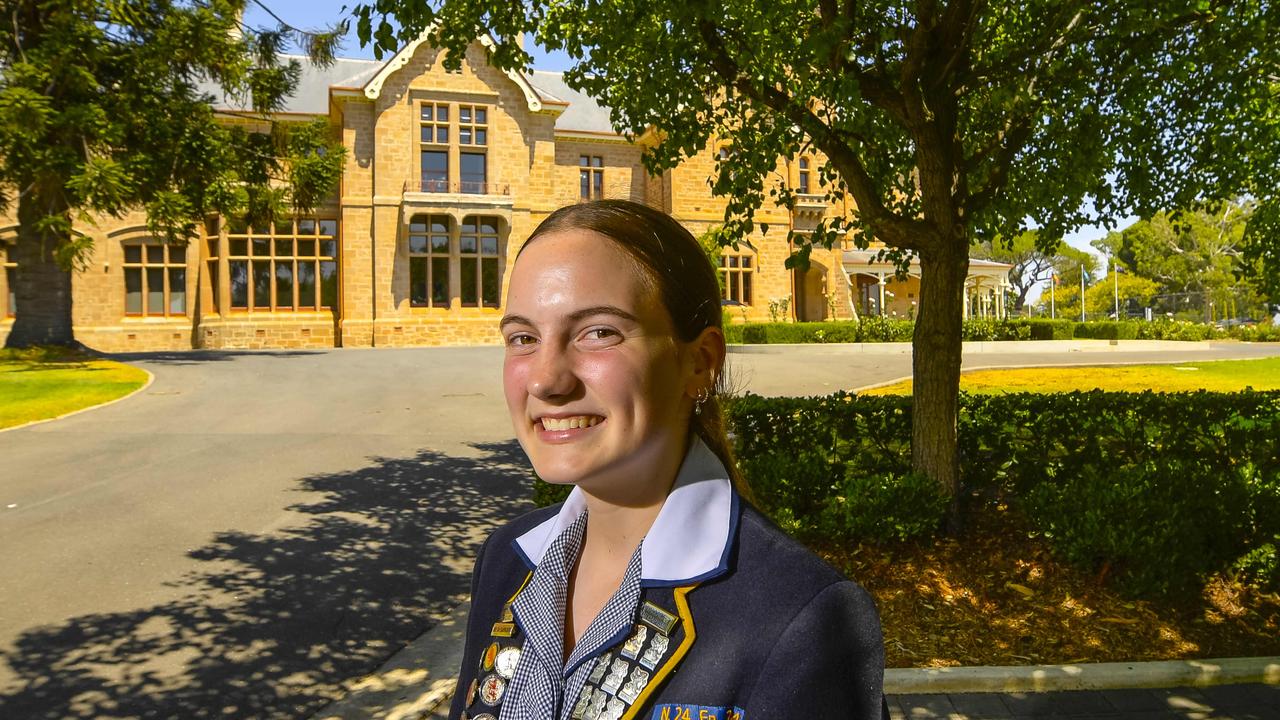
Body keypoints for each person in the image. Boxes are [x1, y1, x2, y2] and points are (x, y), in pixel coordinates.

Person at [449, 200, 888, 720]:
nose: (546, 379)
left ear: (699, 363)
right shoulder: (505, 558)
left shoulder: (801, 617)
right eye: (524, 338)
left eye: (598, 332)